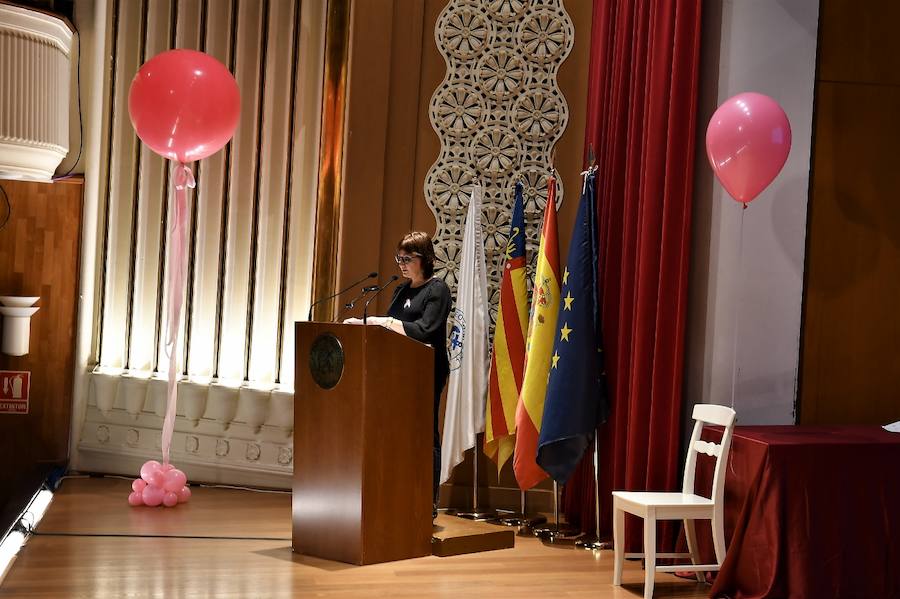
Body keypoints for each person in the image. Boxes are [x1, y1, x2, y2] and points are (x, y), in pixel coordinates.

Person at [344, 231, 451, 516]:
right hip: (396, 371)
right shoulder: (400, 290)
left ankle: (427, 501)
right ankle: (397, 492)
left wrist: (385, 321)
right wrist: (369, 324)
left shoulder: (437, 290)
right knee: (395, 431)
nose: (401, 264)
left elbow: (424, 330)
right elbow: (387, 331)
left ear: (425, 259)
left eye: (407, 259)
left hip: (426, 370)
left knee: (424, 433)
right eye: (399, 258)